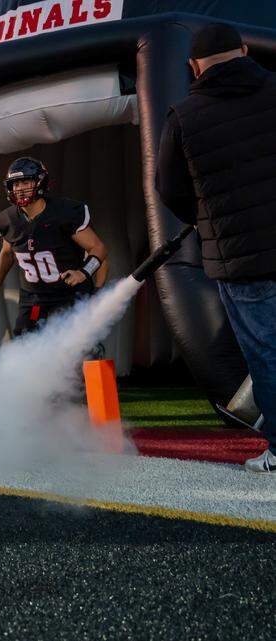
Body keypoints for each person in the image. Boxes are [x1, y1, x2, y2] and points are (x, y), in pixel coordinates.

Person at [154, 23, 276, 474]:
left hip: (241, 259)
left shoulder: (183, 117)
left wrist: (206, 217)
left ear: (194, 66)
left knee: (266, 354)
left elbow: (169, 190)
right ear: (244, 50)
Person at [0, 157, 109, 337]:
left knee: (76, 342)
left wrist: (83, 273)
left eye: (25, 182)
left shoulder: (64, 212)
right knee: (24, 341)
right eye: (16, 184)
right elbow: (7, 254)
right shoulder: (7, 220)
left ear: (40, 182)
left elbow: (99, 249)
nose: (19, 189)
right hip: (35, 296)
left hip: (69, 292)